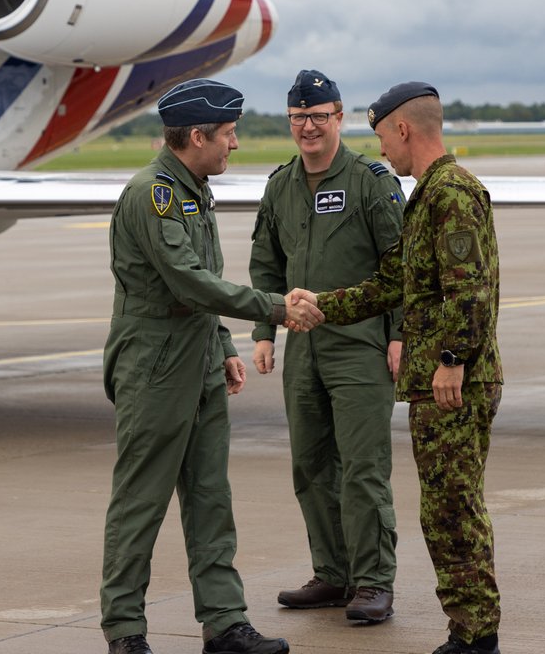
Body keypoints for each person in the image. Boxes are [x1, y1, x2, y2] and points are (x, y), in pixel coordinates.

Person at [100, 78, 322, 654]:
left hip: (196, 358)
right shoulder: (154, 195)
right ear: (195, 136)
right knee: (140, 500)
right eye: (228, 134)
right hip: (154, 366)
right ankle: (125, 632)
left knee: (210, 500)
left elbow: (204, 280)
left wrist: (222, 345)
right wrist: (275, 308)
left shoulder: (193, 189)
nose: (236, 144)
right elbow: (188, 280)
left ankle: (224, 623)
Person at [288, 82, 505, 654]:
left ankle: (477, 636)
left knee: (454, 510)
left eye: (382, 135)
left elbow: (470, 291)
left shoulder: (451, 192)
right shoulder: (428, 194)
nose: (381, 148)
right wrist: (324, 306)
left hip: (454, 382)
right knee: (444, 511)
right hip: (440, 382)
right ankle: (469, 631)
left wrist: (452, 361)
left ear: (403, 129)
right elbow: (393, 285)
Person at [248, 69, 404, 624]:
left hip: (360, 346)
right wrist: (265, 332)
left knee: (363, 467)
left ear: (339, 116)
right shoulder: (281, 185)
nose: (307, 127)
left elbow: (400, 263)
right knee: (310, 464)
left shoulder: (370, 180)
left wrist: (400, 334)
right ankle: (332, 574)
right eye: (297, 118)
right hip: (303, 349)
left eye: (318, 116)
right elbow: (266, 261)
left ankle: (373, 582)